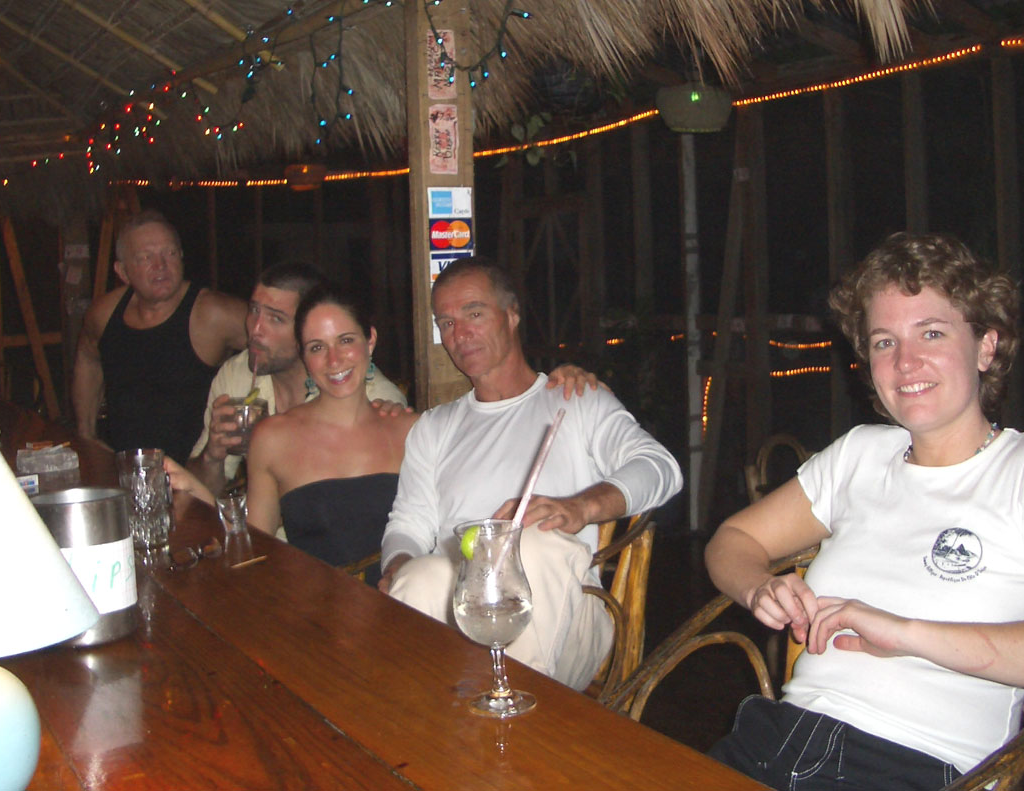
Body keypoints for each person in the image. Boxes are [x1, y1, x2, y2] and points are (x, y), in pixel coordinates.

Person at [704, 232, 1024, 790]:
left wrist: (904, 633)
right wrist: (758, 587)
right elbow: (733, 540)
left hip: (917, 767)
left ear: (986, 346)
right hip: (774, 740)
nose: (905, 361)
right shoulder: (861, 453)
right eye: (884, 341)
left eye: (932, 332)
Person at [380, 256, 682, 691]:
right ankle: (433, 719)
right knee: (419, 577)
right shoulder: (434, 427)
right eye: (446, 323)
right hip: (467, 609)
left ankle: (513, 716)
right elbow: (409, 524)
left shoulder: (576, 399)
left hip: (566, 618)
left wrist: (580, 506)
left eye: (474, 314)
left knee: (533, 538)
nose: (459, 334)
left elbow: (660, 467)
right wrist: (397, 565)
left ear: (512, 315)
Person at [239, 279, 603, 583]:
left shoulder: (414, 431)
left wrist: (560, 381)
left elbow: (481, 492)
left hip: (412, 609)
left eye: (346, 340)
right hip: (314, 617)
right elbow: (254, 554)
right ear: (304, 356)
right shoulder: (272, 439)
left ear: (370, 341)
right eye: (317, 347)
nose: (334, 360)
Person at [187, 262, 407, 495]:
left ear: (308, 329)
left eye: (276, 318)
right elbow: (195, 496)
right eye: (254, 310)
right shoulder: (238, 374)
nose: (255, 330)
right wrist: (212, 456)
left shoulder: (372, 397)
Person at [73, 210, 246, 461]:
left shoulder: (212, 314)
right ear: (123, 271)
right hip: (126, 470)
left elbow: (281, 342)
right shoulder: (104, 313)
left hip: (195, 474)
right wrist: (86, 433)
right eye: (145, 257)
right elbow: (88, 357)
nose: (161, 265)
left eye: (170, 253)